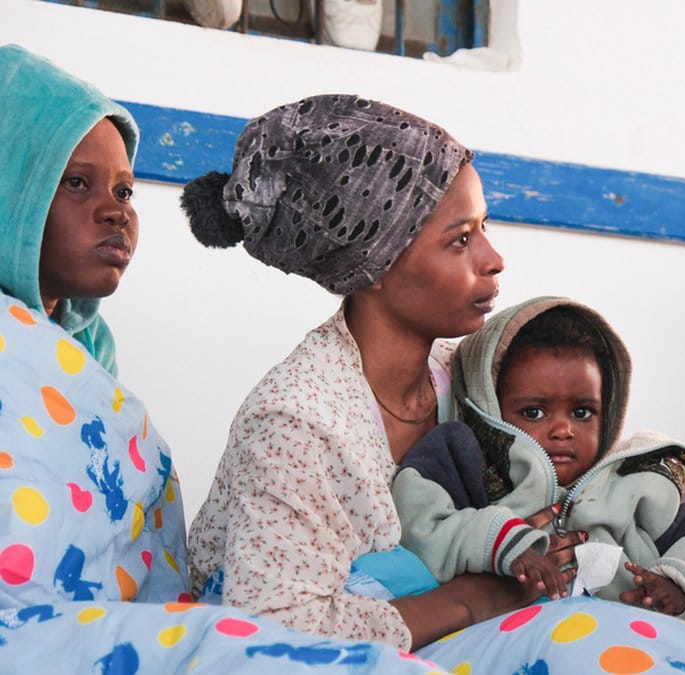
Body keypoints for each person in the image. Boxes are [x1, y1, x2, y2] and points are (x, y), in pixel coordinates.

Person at [180, 94, 685, 675]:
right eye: (461, 240)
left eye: (485, 228)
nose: (493, 259)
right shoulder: (298, 422)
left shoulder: (473, 375)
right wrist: (471, 599)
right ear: (374, 264)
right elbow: (274, 634)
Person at [0, 44, 450, 674]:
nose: (116, 210)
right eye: (77, 182)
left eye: (125, 190)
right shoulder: (295, 411)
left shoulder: (86, 362)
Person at [392, 296, 685, 624]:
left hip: (626, 645)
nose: (563, 430)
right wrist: (499, 542)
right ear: (489, 405)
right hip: (505, 645)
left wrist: (680, 584)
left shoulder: (644, 473)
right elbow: (418, 525)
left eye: (582, 412)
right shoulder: (462, 454)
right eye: (533, 412)